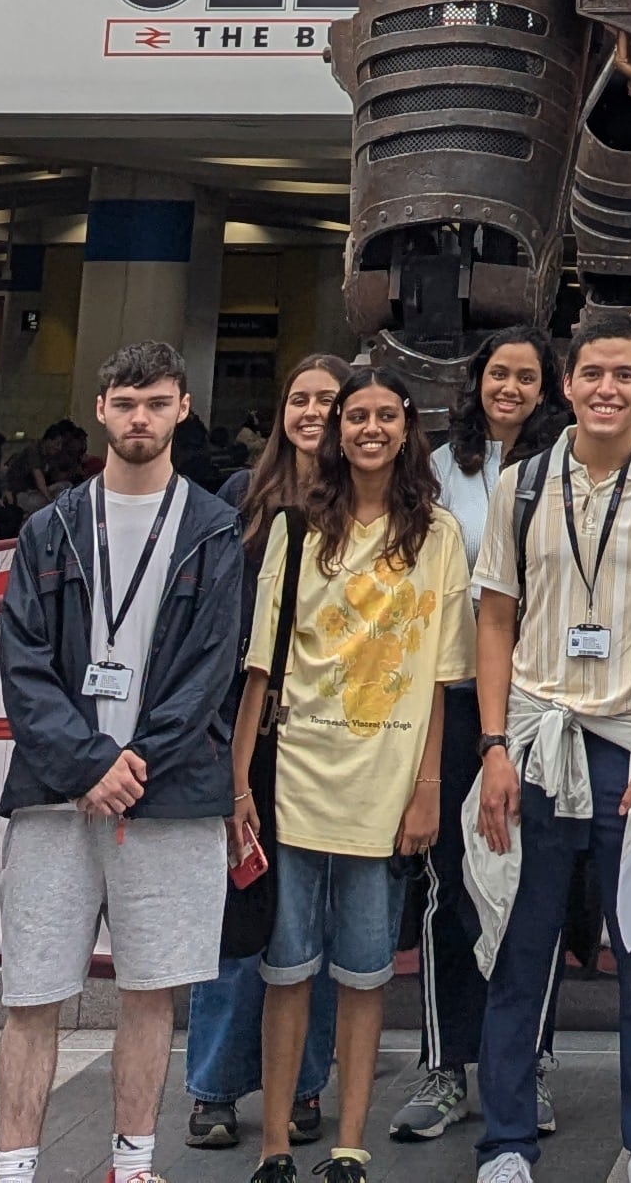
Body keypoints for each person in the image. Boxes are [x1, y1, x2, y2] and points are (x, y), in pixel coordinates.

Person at [469, 307, 631, 1183]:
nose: (606, 390)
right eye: (591, 375)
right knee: (516, 942)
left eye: (625, 376)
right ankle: (505, 1140)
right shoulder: (524, 483)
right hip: (536, 739)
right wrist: (493, 745)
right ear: (567, 384)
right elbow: (494, 616)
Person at [0, 342, 249, 1183]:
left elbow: (212, 667)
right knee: (31, 992)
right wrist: (86, 764)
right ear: (101, 409)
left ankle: (132, 1165)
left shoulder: (212, 526)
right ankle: (15, 1167)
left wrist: (133, 761)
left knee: (151, 990)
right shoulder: (51, 526)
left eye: (158, 403)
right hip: (55, 797)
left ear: (182, 410)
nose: (141, 418)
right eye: (126, 402)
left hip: (168, 794)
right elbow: (25, 663)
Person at [234, 361, 469, 1183]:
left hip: (387, 784)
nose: (369, 429)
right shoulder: (299, 530)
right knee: (287, 968)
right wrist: (239, 789)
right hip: (297, 777)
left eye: (384, 416)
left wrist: (430, 787)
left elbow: (442, 679)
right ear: (336, 432)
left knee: (367, 974)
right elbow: (260, 670)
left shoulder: (437, 536)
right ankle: (272, 1146)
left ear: (408, 428)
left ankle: (349, 1142)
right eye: (354, 416)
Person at [400, 327, 566, 1147]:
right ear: (478, 382)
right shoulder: (438, 468)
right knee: (449, 886)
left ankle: (525, 1063)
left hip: (538, 700)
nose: (510, 387)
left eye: (526, 376)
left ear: (547, 388)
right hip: (453, 697)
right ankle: (443, 1067)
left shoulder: (564, 462)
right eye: (498, 373)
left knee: (529, 884)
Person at [191, 354, 349, 1156]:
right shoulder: (235, 502)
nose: (313, 410)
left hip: (330, 741)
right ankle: (215, 1085)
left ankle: (305, 1083)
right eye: (300, 397)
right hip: (243, 731)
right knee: (240, 911)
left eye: (329, 398)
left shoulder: (362, 506)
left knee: (307, 917)